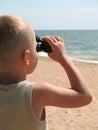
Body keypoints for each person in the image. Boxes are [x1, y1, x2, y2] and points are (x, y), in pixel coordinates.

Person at [0, 15, 92, 130]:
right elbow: (85, 96)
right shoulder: (37, 93)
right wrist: (63, 58)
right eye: (36, 48)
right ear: (26, 57)